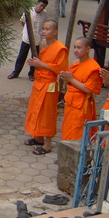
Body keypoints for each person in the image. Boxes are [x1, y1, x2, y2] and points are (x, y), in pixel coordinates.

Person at [23, 20, 68, 155]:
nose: (44, 31)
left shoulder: (60, 48)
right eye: (43, 29)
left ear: (55, 32)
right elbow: (42, 63)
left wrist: (40, 64)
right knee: (35, 109)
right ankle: (38, 137)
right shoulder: (42, 44)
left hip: (50, 84)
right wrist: (35, 63)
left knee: (48, 113)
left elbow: (60, 69)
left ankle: (47, 144)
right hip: (39, 82)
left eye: (47, 29)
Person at [60, 37, 102, 140]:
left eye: (79, 47)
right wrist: (66, 78)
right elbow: (70, 83)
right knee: (68, 127)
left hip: (82, 104)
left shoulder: (93, 67)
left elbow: (89, 89)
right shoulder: (75, 63)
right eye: (74, 47)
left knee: (78, 130)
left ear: (88, 49)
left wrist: (71, 79)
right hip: (70, 101)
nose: (75, 50)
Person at [8, 0, 48, 81]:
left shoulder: (44, 14)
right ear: (37, 4)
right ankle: (15, 72)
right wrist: (27, 30)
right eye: (41, 6)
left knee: (34, 57)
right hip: (26, 38)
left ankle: (32, 74)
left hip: (37, 39)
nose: (42, 8)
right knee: (22, 55)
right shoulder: (29, 11)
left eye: (44, 7)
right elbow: (22, 21)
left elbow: (44, 25)